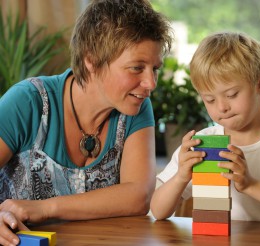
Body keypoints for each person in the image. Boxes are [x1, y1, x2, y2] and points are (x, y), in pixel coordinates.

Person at [0, 0, 172, 245]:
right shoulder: (27, 102)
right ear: (91, 61)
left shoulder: (136, 106)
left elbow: (139, 196)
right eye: (136, 68)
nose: (151, 83)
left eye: (154, 68)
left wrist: (45, 208)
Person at [150, 32, 260, 225]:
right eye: (209, 99)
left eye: (232, 94)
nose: (221, 107)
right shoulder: (202, 144)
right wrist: (180, 177)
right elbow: (158, 211)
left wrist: (250, 184)